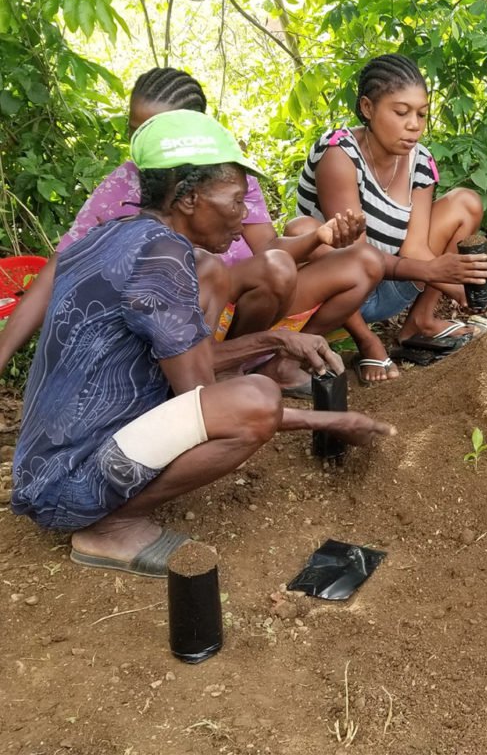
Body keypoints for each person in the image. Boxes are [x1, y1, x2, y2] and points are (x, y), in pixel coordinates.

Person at [10, 110, 394, 577]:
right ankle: (110, 527)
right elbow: (200, 399)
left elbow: (190, 367)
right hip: (68, 488)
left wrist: (276, 339)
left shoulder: (116, 234)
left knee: (213, 279)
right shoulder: (161, 258)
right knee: (255, 399)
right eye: (234, 201)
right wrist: (329, 419)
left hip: (45, 466)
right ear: (189, 198)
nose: (243, 217)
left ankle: (107, 505)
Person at [0, 67, 384, 395]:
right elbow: (61, 267)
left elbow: (267, 249)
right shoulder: (123, 184)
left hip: (234, 313)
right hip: (164, 321)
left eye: (156, 130)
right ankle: (207, 379)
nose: (141, 144)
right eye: (135, 130)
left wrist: (318, 238)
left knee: (321, 265)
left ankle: (246, 368)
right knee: (208, 272)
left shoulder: (228, 176)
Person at [296, 53, 487, 382]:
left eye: (421, 114)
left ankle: (420, 322)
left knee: (466, 203)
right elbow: (354, 259)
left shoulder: (421, 161)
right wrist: (371, 343)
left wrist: (459, 287)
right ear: (368, 108)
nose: (414, 125)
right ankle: (365, 339)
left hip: (391, 283)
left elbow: (415, 248)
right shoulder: (339, 154)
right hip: (337, 294)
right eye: (401, 112)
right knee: (309, 232)